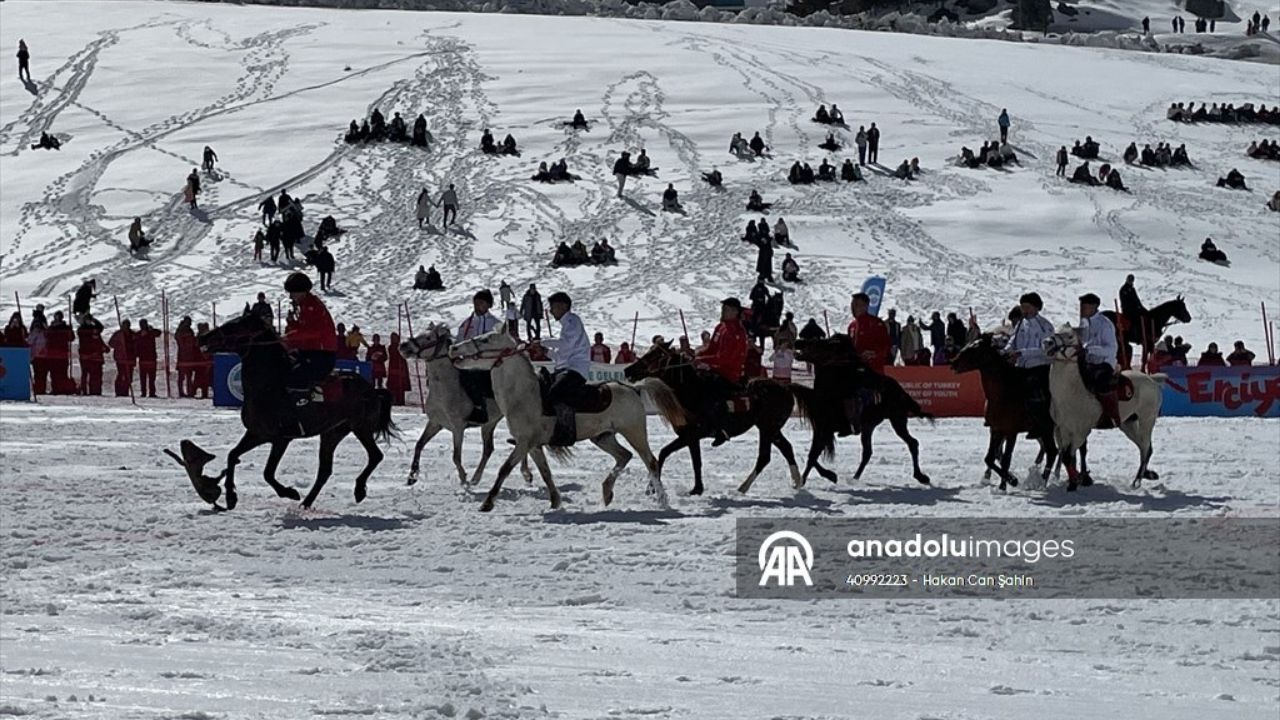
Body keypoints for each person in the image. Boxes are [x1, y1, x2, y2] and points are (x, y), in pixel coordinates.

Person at [539, 292, 591, 446]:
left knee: (556, 393)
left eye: (553, 307)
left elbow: (565, 345)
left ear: (563, 306)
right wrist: (545, 352)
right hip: (565, 368)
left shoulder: (572, 321)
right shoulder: (567, 325)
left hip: (576, 370)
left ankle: (566, 433)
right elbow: (561, 356)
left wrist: (542, 342)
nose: (551, 311)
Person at [696, 297, 750, 445]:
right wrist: (697, 354)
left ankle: (722, 428)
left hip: (729, 373)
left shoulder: (737, 332)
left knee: (711, 391)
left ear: (734, 312)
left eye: (726, 309)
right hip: (715, 368)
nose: (722, 312)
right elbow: (712, 348)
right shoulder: (721, 327)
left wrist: (704, 360)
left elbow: (724, 358)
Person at [1003, 292, 1054, 437]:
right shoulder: (1020, 324)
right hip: (1021, 367)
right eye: (1022, 307)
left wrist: (1022, 353)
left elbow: (1045, 350)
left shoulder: (1045, 326)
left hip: (1039, 366)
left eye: (1027, 307)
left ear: (1036, 307)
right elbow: (1012, 341)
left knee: (1035, 392)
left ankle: (1040, 423)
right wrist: (1006, 352)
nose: (1024, 310)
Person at [282, 272, 337, 406]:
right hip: (311, 351)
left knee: (296, 376)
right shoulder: (305, 306)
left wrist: (288, 337)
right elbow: (304, 330)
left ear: (302, 292)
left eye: (293, 293)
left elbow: (313, 332)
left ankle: (305, 404)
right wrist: (292, 325)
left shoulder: (312, 306)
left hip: (322, 354)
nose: (291, 296)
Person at [844, 292, 891, 432]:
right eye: (852, 305)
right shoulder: (852, 326)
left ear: (865, 306)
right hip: (855, 369)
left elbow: (886, 346)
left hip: (872, 370)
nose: (853, 308)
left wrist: (873, 354)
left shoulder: (876, 323)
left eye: (856, 305)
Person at [1077, 293, 1121, 424]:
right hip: (1088, 362)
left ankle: (1110, 415)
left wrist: (1090, 350)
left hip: (1104, 363)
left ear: (1094, 307)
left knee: (1100, 380)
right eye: (1082, 306)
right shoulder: (1084, 323)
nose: (1082, 309)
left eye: (1085, 306)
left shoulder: (1105, 324)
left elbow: (1111, 349)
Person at [76, 314, 108, 396]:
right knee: (85, 374)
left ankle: (94, 390)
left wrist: (94, 320)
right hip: (85, 354)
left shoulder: (94, 329)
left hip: (94, 356)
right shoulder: (82, 329)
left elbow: (100, 327)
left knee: (94, 374)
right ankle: (84, 390)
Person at [133, 319, 161, 398]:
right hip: (143, 358)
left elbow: (158, 333)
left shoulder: (151, 333)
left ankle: (151, 392)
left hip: (151, 358)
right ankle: (144, 392)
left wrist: (151, 330)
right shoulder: (139, 334)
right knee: (143, 377)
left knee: (151, 377)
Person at [108, 319, 135, 397]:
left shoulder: (132, 334)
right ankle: (119, 391)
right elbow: (111, 343)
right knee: (121, 375)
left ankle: (125, 391)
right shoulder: (118, 334)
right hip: (121, 358)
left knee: (128, 376)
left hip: (130, 358)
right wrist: (119, 346)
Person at [175, 316, 198, 397]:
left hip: (190, 356)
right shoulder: (180, 331)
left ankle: (190, 391)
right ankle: (181, 392)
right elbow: (179, 340)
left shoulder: (190, 331)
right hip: (182, 356)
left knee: (189, 376)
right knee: (182, 377)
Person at [386, 332, 411, 406]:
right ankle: (394, 400)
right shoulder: (391, 347)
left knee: (401, 384)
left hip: (401, 365)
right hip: (393, 365)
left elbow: (404, 355)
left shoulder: (401, 347)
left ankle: (401, 400)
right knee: (393, 385)